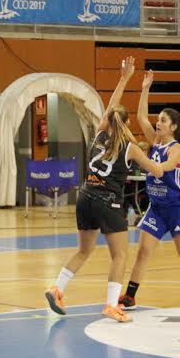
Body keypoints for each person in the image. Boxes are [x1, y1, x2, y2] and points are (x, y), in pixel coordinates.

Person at [46, 56, 163, 322]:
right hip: (107, 201)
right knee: (120, 255)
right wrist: (170, 160)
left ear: (108, 121)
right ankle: (111, 305)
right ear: (128, 124)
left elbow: (111, 108)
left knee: (83, 250)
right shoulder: (131, 148)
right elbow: (155, 171)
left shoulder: (100, 133)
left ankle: (57, 288)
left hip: (85, 196)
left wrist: (124, 78)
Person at [118, 66, 180, 310]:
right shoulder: (156, 142)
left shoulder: (176, 149)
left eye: (162, 120)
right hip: (157, 207)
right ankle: (130, 295)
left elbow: (164, 169)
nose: (157, 123)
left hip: (177, 207)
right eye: (158, 119)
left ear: (173, 127)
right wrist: (145, 89)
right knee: (142, 252)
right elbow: (140, 118)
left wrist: (145, 161)